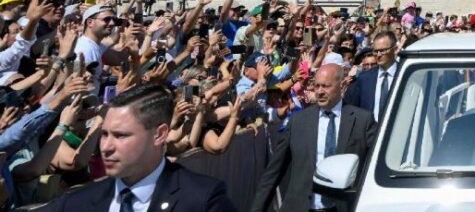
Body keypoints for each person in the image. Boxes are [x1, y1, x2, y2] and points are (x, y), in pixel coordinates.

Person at [46, 84, 236, 212]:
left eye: (121, 135)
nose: (106, 147)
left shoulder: (203, 199)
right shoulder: (76, 203)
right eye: (104, 134)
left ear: (159, 134)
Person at [250, 64, 377, 212]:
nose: (320, 92)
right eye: (316, 86)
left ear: (342, 85)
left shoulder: (362, 120)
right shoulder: (299, 121)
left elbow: (375, 165)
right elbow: (273, 172)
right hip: (302, 206)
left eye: (326, 86)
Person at [343, 31, 399, 121]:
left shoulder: (404, 75)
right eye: (376, 51)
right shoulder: (364, 78)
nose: (379, 55)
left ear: (395, 49)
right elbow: (351, 109)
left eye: (383, 50)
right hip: (369, 132)